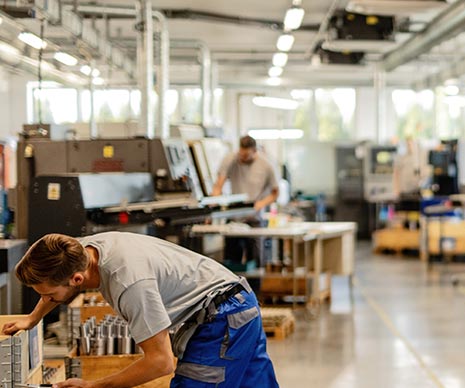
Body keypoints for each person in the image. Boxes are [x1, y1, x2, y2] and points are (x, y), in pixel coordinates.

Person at [4, 232, 278, 388]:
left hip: (223, 319)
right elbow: (53, 284)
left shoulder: (129, 283)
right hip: (239, 303)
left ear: (77, 279)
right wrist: (32, 319)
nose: (45, 299)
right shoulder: (76, 251)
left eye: (49, 295)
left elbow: (161, 362)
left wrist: (94, 385)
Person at [210, 135, 279, 266]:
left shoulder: (266, 166)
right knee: (231, 262)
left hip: (254, 219)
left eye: (246, 156)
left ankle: (255, 287)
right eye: (241, 155)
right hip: (234, 218)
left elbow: (275, 193)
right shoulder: (231, 159)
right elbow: (218, 185)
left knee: (256, 263)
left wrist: (260, 204)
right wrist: (212, 206)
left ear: (255, 151)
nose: (242, 159)